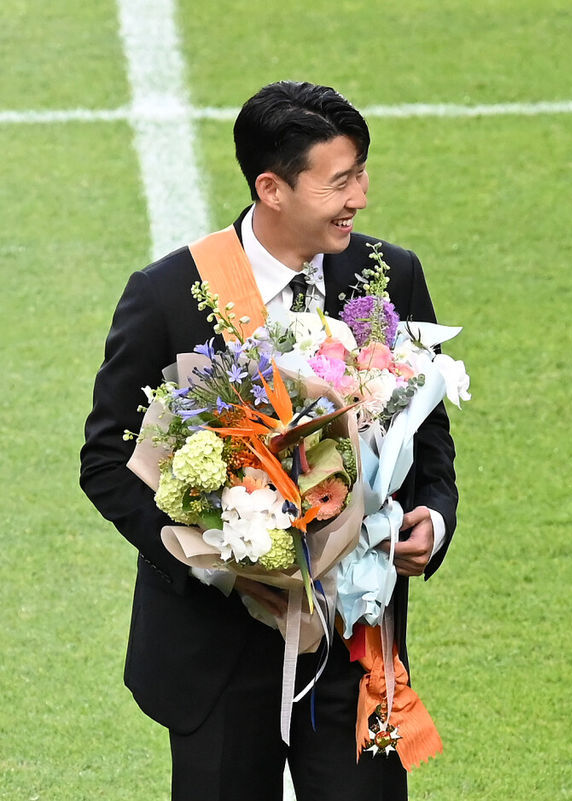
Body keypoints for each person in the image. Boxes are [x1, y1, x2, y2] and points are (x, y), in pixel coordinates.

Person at [80, 81, 458, 801]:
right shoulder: (168, 293)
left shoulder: (387, 278)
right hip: (217, 654)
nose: (361, 196)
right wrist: (216, 557)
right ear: (272, 187)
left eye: (361, 173)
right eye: (341, 179)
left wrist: (431, 520)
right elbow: (105, 458)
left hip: (354, 642)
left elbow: (428, 438)